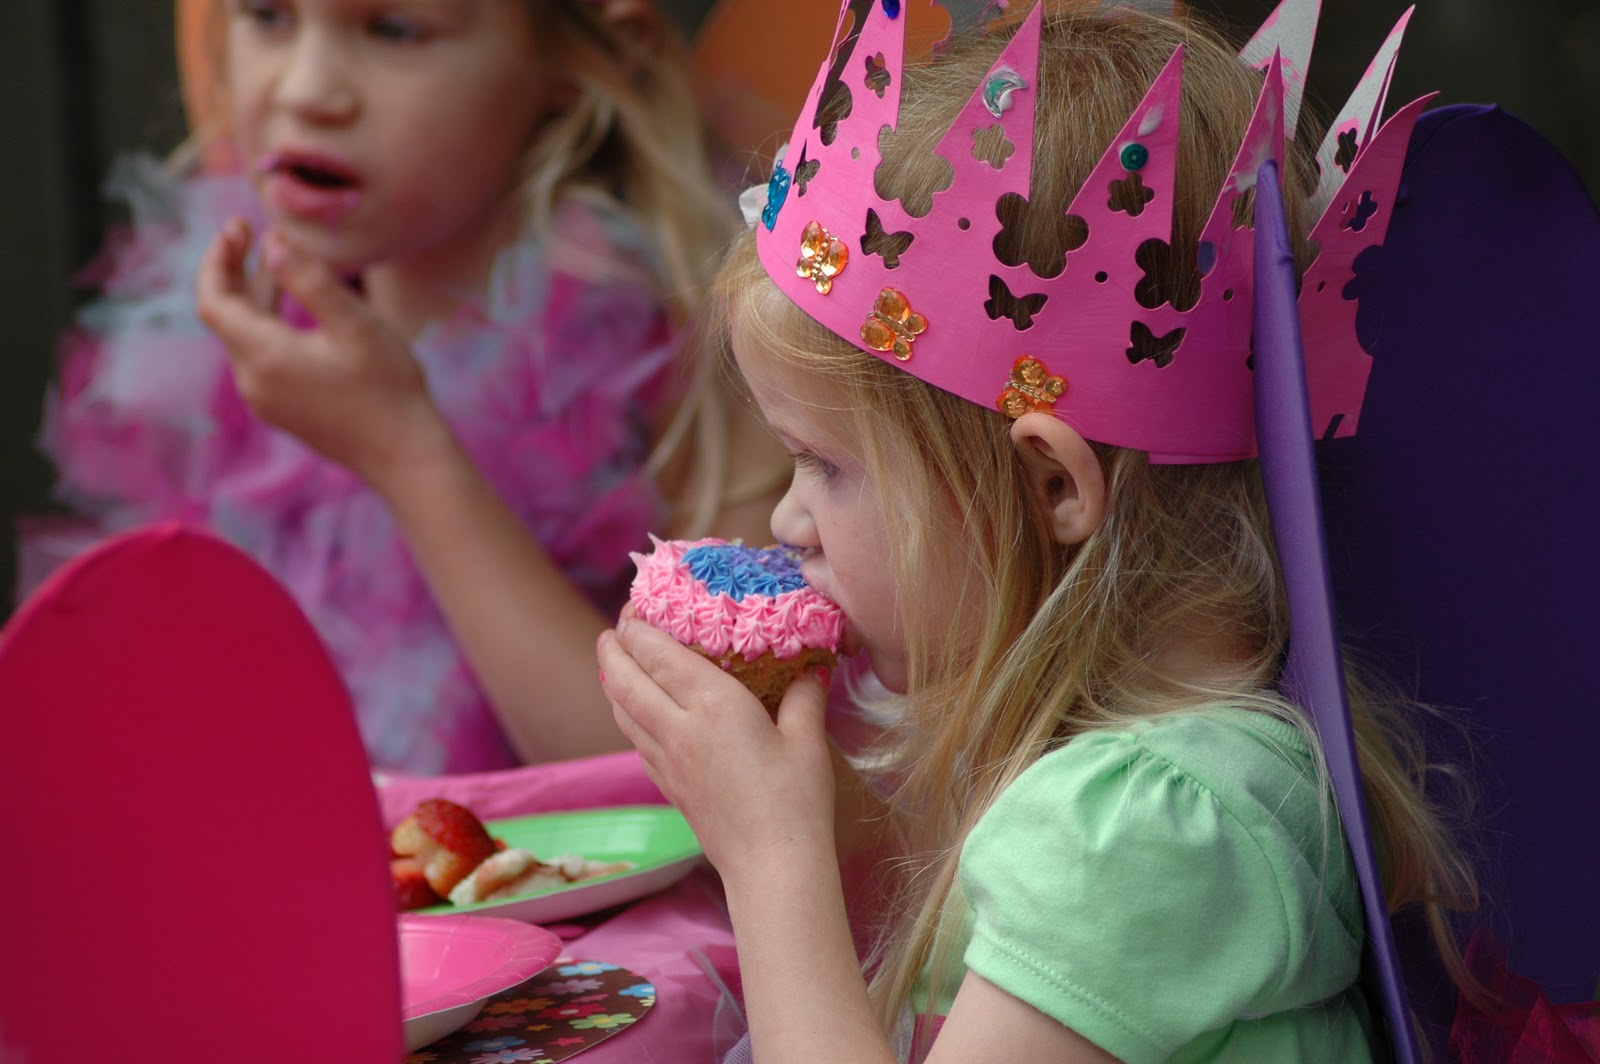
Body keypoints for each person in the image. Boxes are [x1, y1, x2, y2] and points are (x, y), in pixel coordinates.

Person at [597, 2, 1483, 1061]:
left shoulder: (1139, 826)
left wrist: (770, 858)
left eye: (825, 464)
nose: (787, 520)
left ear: (1051, 485)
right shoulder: (1149, 751)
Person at [29, 0, 784, 773]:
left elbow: (708, 776)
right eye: (266, 15)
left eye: (394, 30)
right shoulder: (205, 329)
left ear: (586, 55)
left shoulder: (713, 342)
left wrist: (408, 455)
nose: (305, 90)